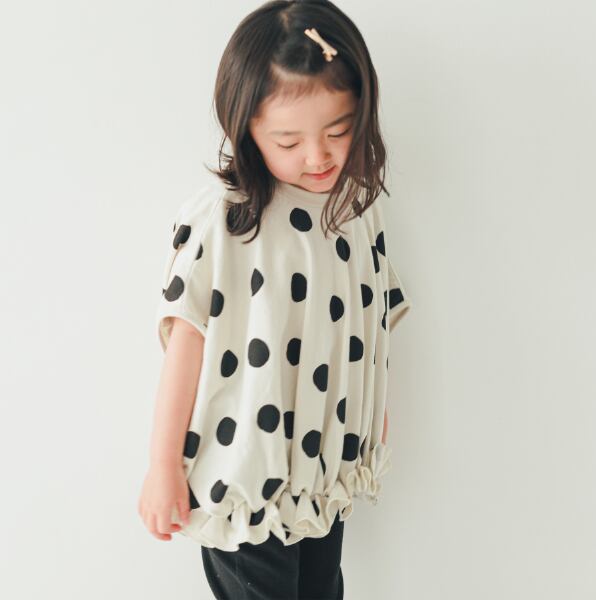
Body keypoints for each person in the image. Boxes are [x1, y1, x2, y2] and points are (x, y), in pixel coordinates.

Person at [138, 1, 413, 597]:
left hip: (321, 475)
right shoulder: (229, 220)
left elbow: (369, 319)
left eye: (338, 131)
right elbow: (185, 345)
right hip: (243, 474)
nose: (318, 156)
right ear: (247, 130)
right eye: (288, 140)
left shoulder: (356, 208)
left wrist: (372, 414)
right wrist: (163, 466)